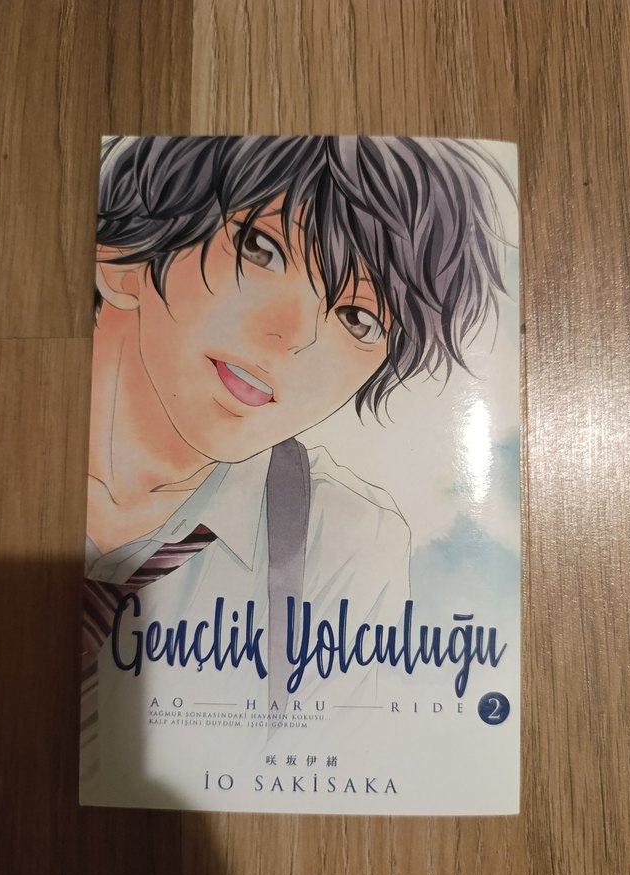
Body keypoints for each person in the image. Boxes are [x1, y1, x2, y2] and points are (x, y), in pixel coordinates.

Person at [81, 135, 511, 803]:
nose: (295, 338)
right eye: (261, 248)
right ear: (125, 256)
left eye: (358, 318)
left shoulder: (344, 538)